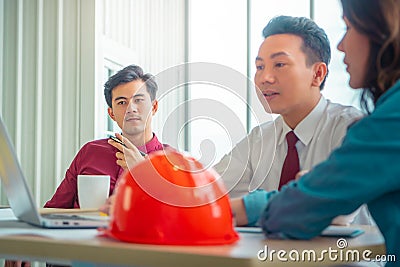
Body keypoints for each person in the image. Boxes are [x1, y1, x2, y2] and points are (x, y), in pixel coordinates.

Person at [235, 0, 400, 265]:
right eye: (259, 67)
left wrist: (306, 190)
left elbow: (314, 208)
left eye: (349, 28)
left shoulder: (366, 126)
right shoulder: (260, 136)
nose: (341, 46)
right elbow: (212, 185)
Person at [212, 15, 368, 226]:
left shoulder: (351, 129)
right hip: (270, 257)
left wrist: (252, 208)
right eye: (259, 67)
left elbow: (335, 210)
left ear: (318, 74)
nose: (265, 78)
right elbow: (209, 193)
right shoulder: (259, 139)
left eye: (279, 64)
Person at [44, 64, 166, 208]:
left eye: (138, 100)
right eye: (122, 102)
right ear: (111, 114)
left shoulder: (174, 163)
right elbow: (53, 210)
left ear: (154, 107)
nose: (131, 109)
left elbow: (178, 221)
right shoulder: (90, 152)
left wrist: (142, 173)